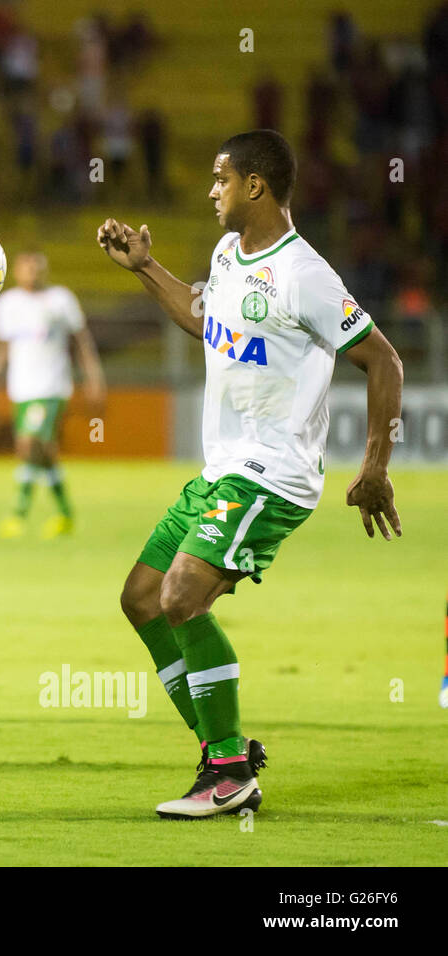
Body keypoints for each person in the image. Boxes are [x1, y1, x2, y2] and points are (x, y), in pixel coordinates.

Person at [99, 129, 403, 818]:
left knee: (182, 595)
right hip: (223, 467)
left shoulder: (305, 276)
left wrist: (376, 466)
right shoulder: (229, 254)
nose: (211, 190)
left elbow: (385, 360)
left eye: (220, 178)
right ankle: (220, 753)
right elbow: (205, 319)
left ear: (256, 186)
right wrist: (146, 268)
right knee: (142, 597)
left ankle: (230, 772)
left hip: (274, 472)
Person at [0, 252, 105, 539]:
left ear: (45, 270)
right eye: (26, 268)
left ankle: (17, 513)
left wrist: (93, 379)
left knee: (28, 443)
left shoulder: (61, 299)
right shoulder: (8, 303)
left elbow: (81, 342)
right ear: (17, 272)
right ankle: (65, 514)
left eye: (37, 268)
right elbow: (2, 348)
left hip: (52, 387)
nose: (32, 273)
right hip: (20, 388)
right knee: (44, 453)